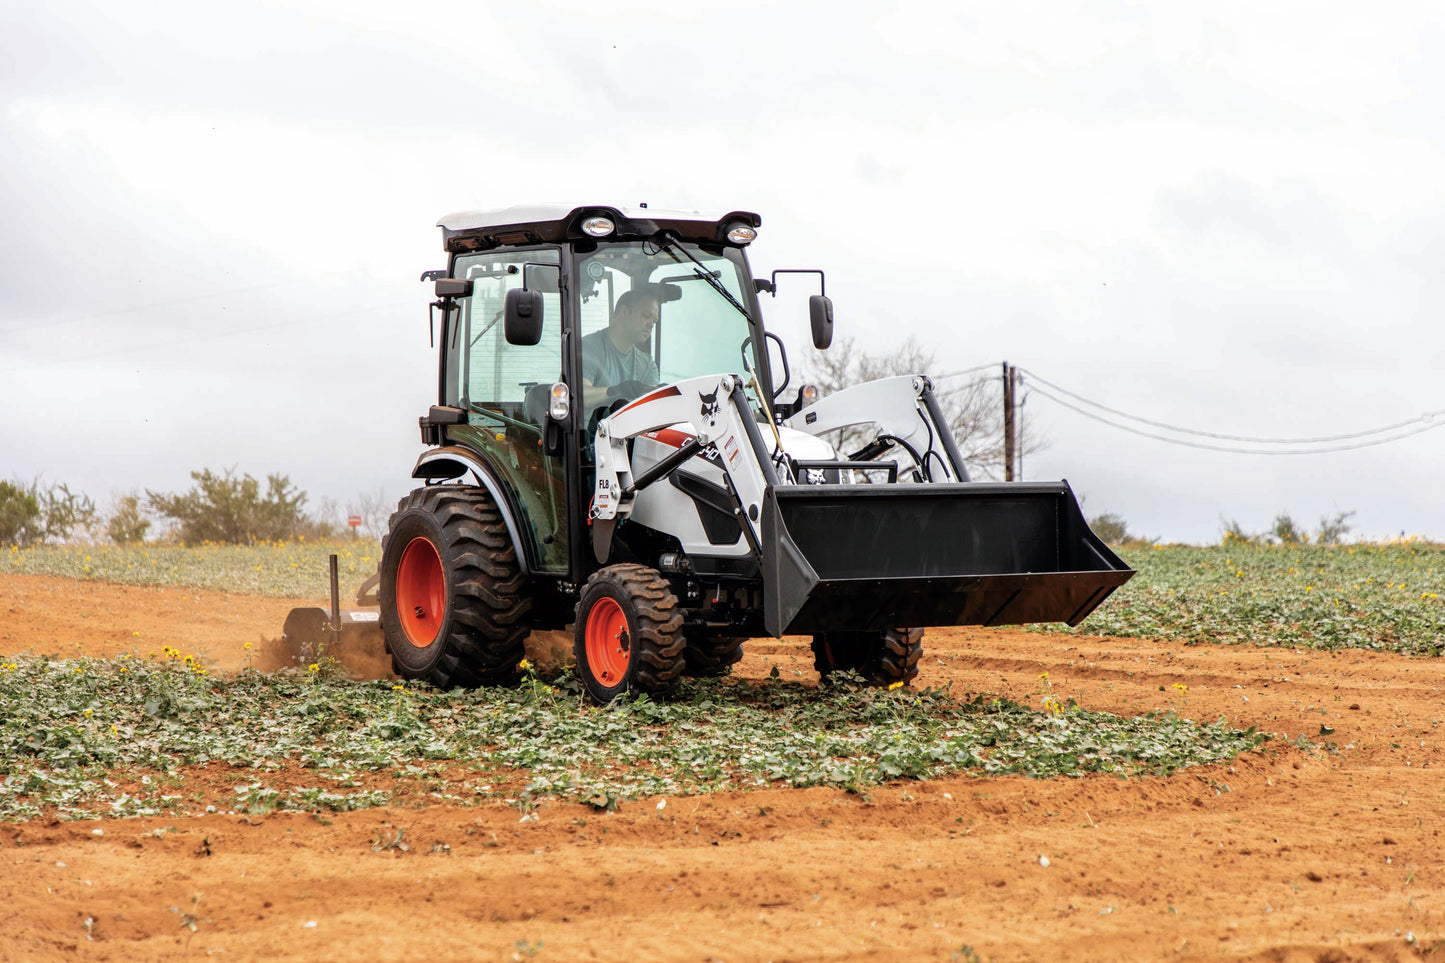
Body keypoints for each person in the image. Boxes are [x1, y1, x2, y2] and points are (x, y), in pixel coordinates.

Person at [581, 287, 661, 410]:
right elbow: (578, 397)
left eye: (654, 321)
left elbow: (652, 408)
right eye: (646, 316)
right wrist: (615, 391)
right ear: (624, 312)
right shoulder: (588, 348)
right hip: (587, 429)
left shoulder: (647, 365)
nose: (650, 325)